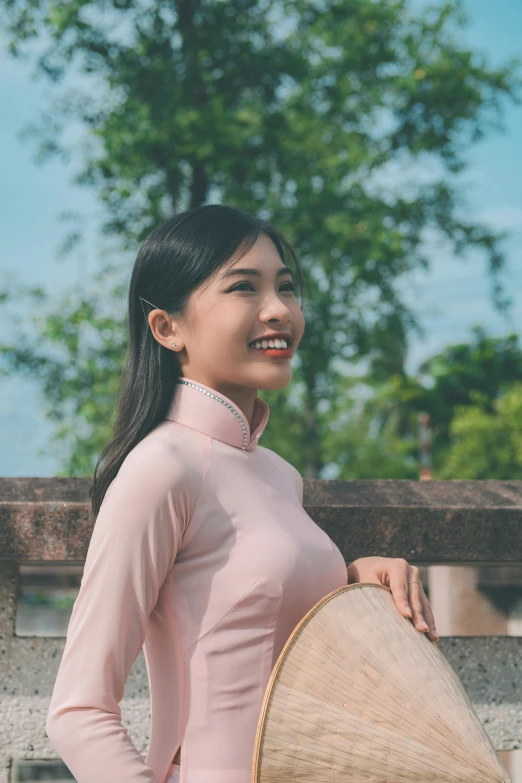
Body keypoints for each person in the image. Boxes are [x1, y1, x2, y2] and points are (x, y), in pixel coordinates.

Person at [45, 204, 438, 783]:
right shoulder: (162, 467)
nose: (279, 310)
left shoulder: (279, 474)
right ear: (167, 328)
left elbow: (257, 622)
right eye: (243, 288)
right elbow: (78, 711)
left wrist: (354, 582)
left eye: (286, 287)